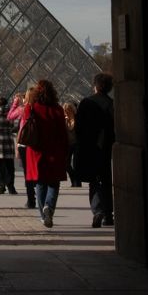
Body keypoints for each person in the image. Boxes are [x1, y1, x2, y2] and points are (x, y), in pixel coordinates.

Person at [23, 79, 69, 228]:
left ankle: (44, 215)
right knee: (54, 183)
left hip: (36, 150)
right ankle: (49, 206)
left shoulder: (31, 109)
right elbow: (63, 132)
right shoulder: (58, 109)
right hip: (55, 150)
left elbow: (24, 128)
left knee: (40, 182)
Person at [75, 73, 115, 227]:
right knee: (105, 180)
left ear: (96, 85)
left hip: (89, 148)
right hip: (105, 148)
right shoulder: (112, 104)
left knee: (93, 181)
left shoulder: (86, 103)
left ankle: (98, 210)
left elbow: (78, 128)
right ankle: (108, 214)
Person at [8, 89, 36, 208]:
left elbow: (10, 116)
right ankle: (39, 195)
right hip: (37, 143)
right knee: (37, 170)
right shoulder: (40, 108)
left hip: (25, 144)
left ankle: (31, 199)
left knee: (27, 172)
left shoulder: (23, 109)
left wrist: (15, 102)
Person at [62, 101, 82, 187]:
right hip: (68, 144)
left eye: (68, 110)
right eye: (65, 110)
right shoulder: (63, 120)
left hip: (77, 143)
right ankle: (74, 178)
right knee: (66, 163)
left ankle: (77, 182)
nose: (66, 112)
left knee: (76, 163)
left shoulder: (78, 119)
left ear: (72, 110)